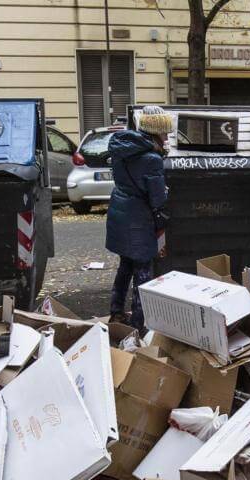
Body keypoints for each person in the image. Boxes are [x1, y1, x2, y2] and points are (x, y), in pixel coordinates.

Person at [105, 105, 172, 332]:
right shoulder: (152, 158)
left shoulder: (122, 148)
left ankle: (116, 311)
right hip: (138, 218)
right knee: (143, 270)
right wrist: (165, 193)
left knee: (125, 265)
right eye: (164, 133)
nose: (167, 137)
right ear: (156, 132)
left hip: (120, 210)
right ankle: (139, 325)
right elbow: (157, 198)